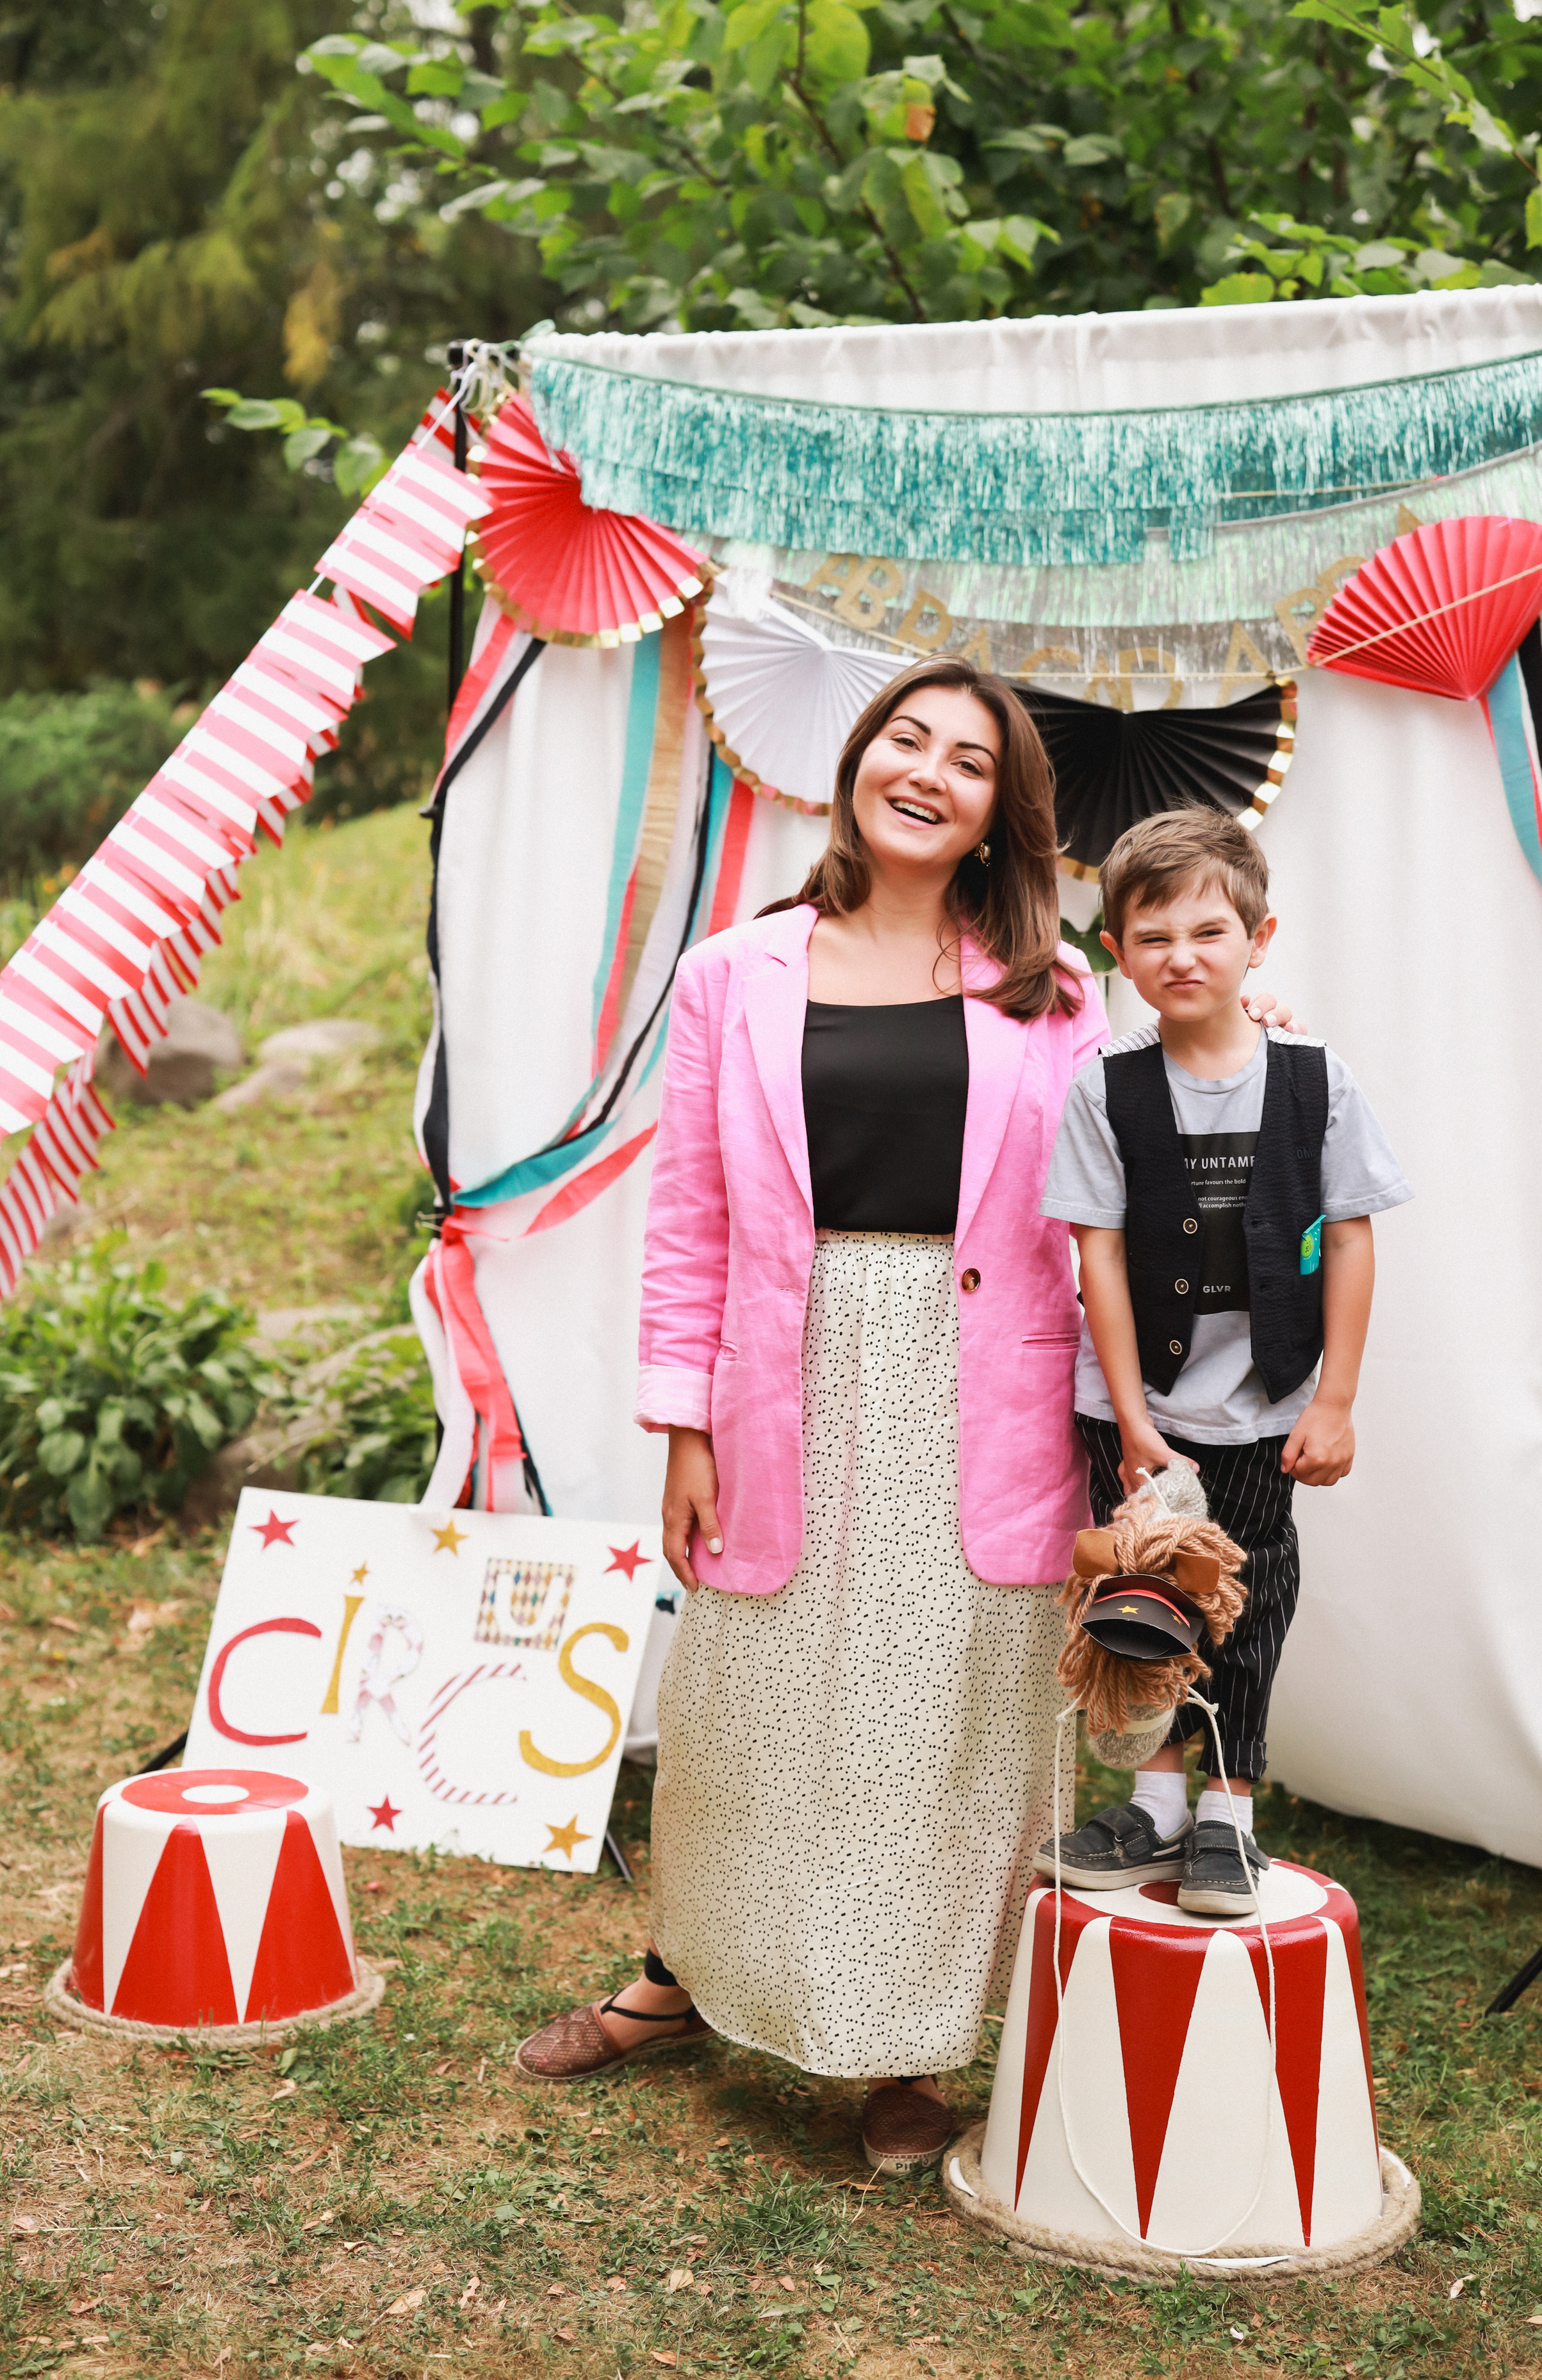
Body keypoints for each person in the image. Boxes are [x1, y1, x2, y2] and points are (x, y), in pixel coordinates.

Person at [514, 666, 1304, 2167]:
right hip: (782, 1378)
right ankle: (681, 1976)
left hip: (986, 1385)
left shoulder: (1059, 986)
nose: (928, 771)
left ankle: (911, 2045)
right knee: (748, 1701)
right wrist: (682, 1421)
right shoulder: (730, 974)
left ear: (1005, 809)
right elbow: (689, 1221)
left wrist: (1244, 1020)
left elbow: (1152, 1138)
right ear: (856, 760)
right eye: (905, 740)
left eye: (969, 759)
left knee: (947, 1716)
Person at [1039, 806, 1411, 1915]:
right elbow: (1095, 1254)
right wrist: (1134, 1417)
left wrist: (1335, 1397)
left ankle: (1226, 1818)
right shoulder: (1108, 1089)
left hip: (1265, 1408)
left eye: (1208, 931)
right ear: (1117, 954)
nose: (1181, 956)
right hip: (1138, 1407)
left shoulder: (1313, 1079)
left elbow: (1349, 1232)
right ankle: (1156, 1807)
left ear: (1261, 936)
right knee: (1148, 1600)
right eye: (1152, 937)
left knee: (1249, 1598)